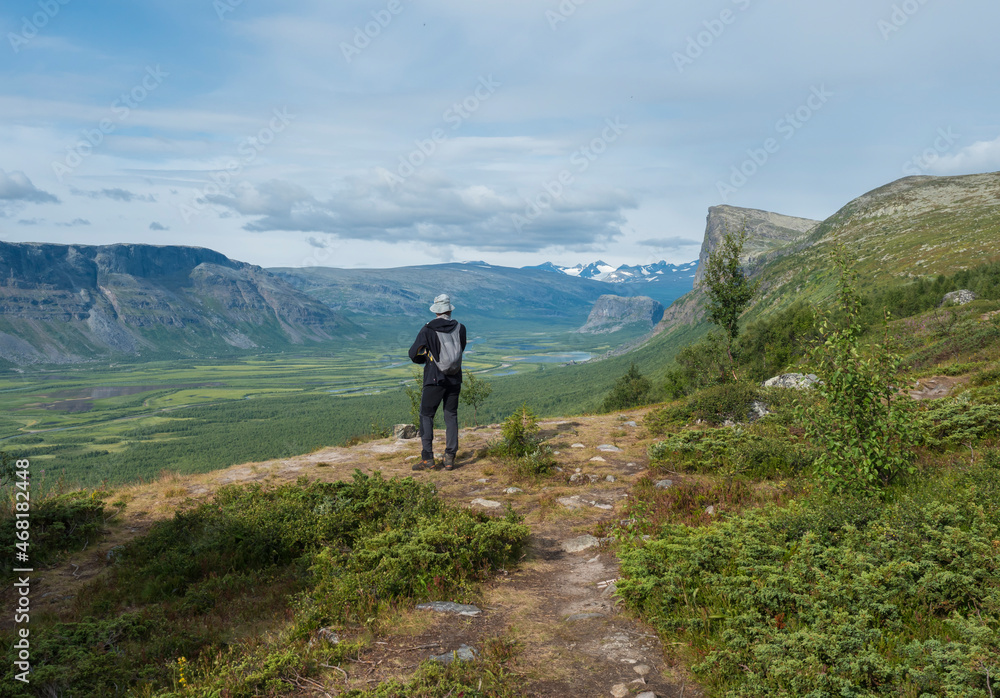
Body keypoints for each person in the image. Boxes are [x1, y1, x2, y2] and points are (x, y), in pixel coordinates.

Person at [408, 293, 467, 470]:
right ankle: (449, 457)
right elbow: (460, 349)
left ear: (436, 312)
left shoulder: (428, 329)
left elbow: (413, 353)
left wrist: (425, 360)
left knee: (426, 415)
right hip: (454, 378)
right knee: (451, 416)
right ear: (449, 309)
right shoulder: (460, 327)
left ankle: (428, 459)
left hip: (434, 379)